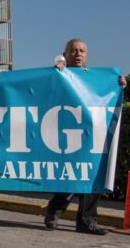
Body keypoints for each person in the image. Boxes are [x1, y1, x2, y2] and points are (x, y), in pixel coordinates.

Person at [44, 39, 127, 235]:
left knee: (92, 177)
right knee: (71, 176)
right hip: (66, 136)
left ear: (86, 55)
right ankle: (54, 210)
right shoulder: (59, 74)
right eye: (73, 51)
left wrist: (120, 85)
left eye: (81, 51)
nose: (78, 54)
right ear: (65, 54)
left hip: (91, 136)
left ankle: (87, 221)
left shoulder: (98, 79)